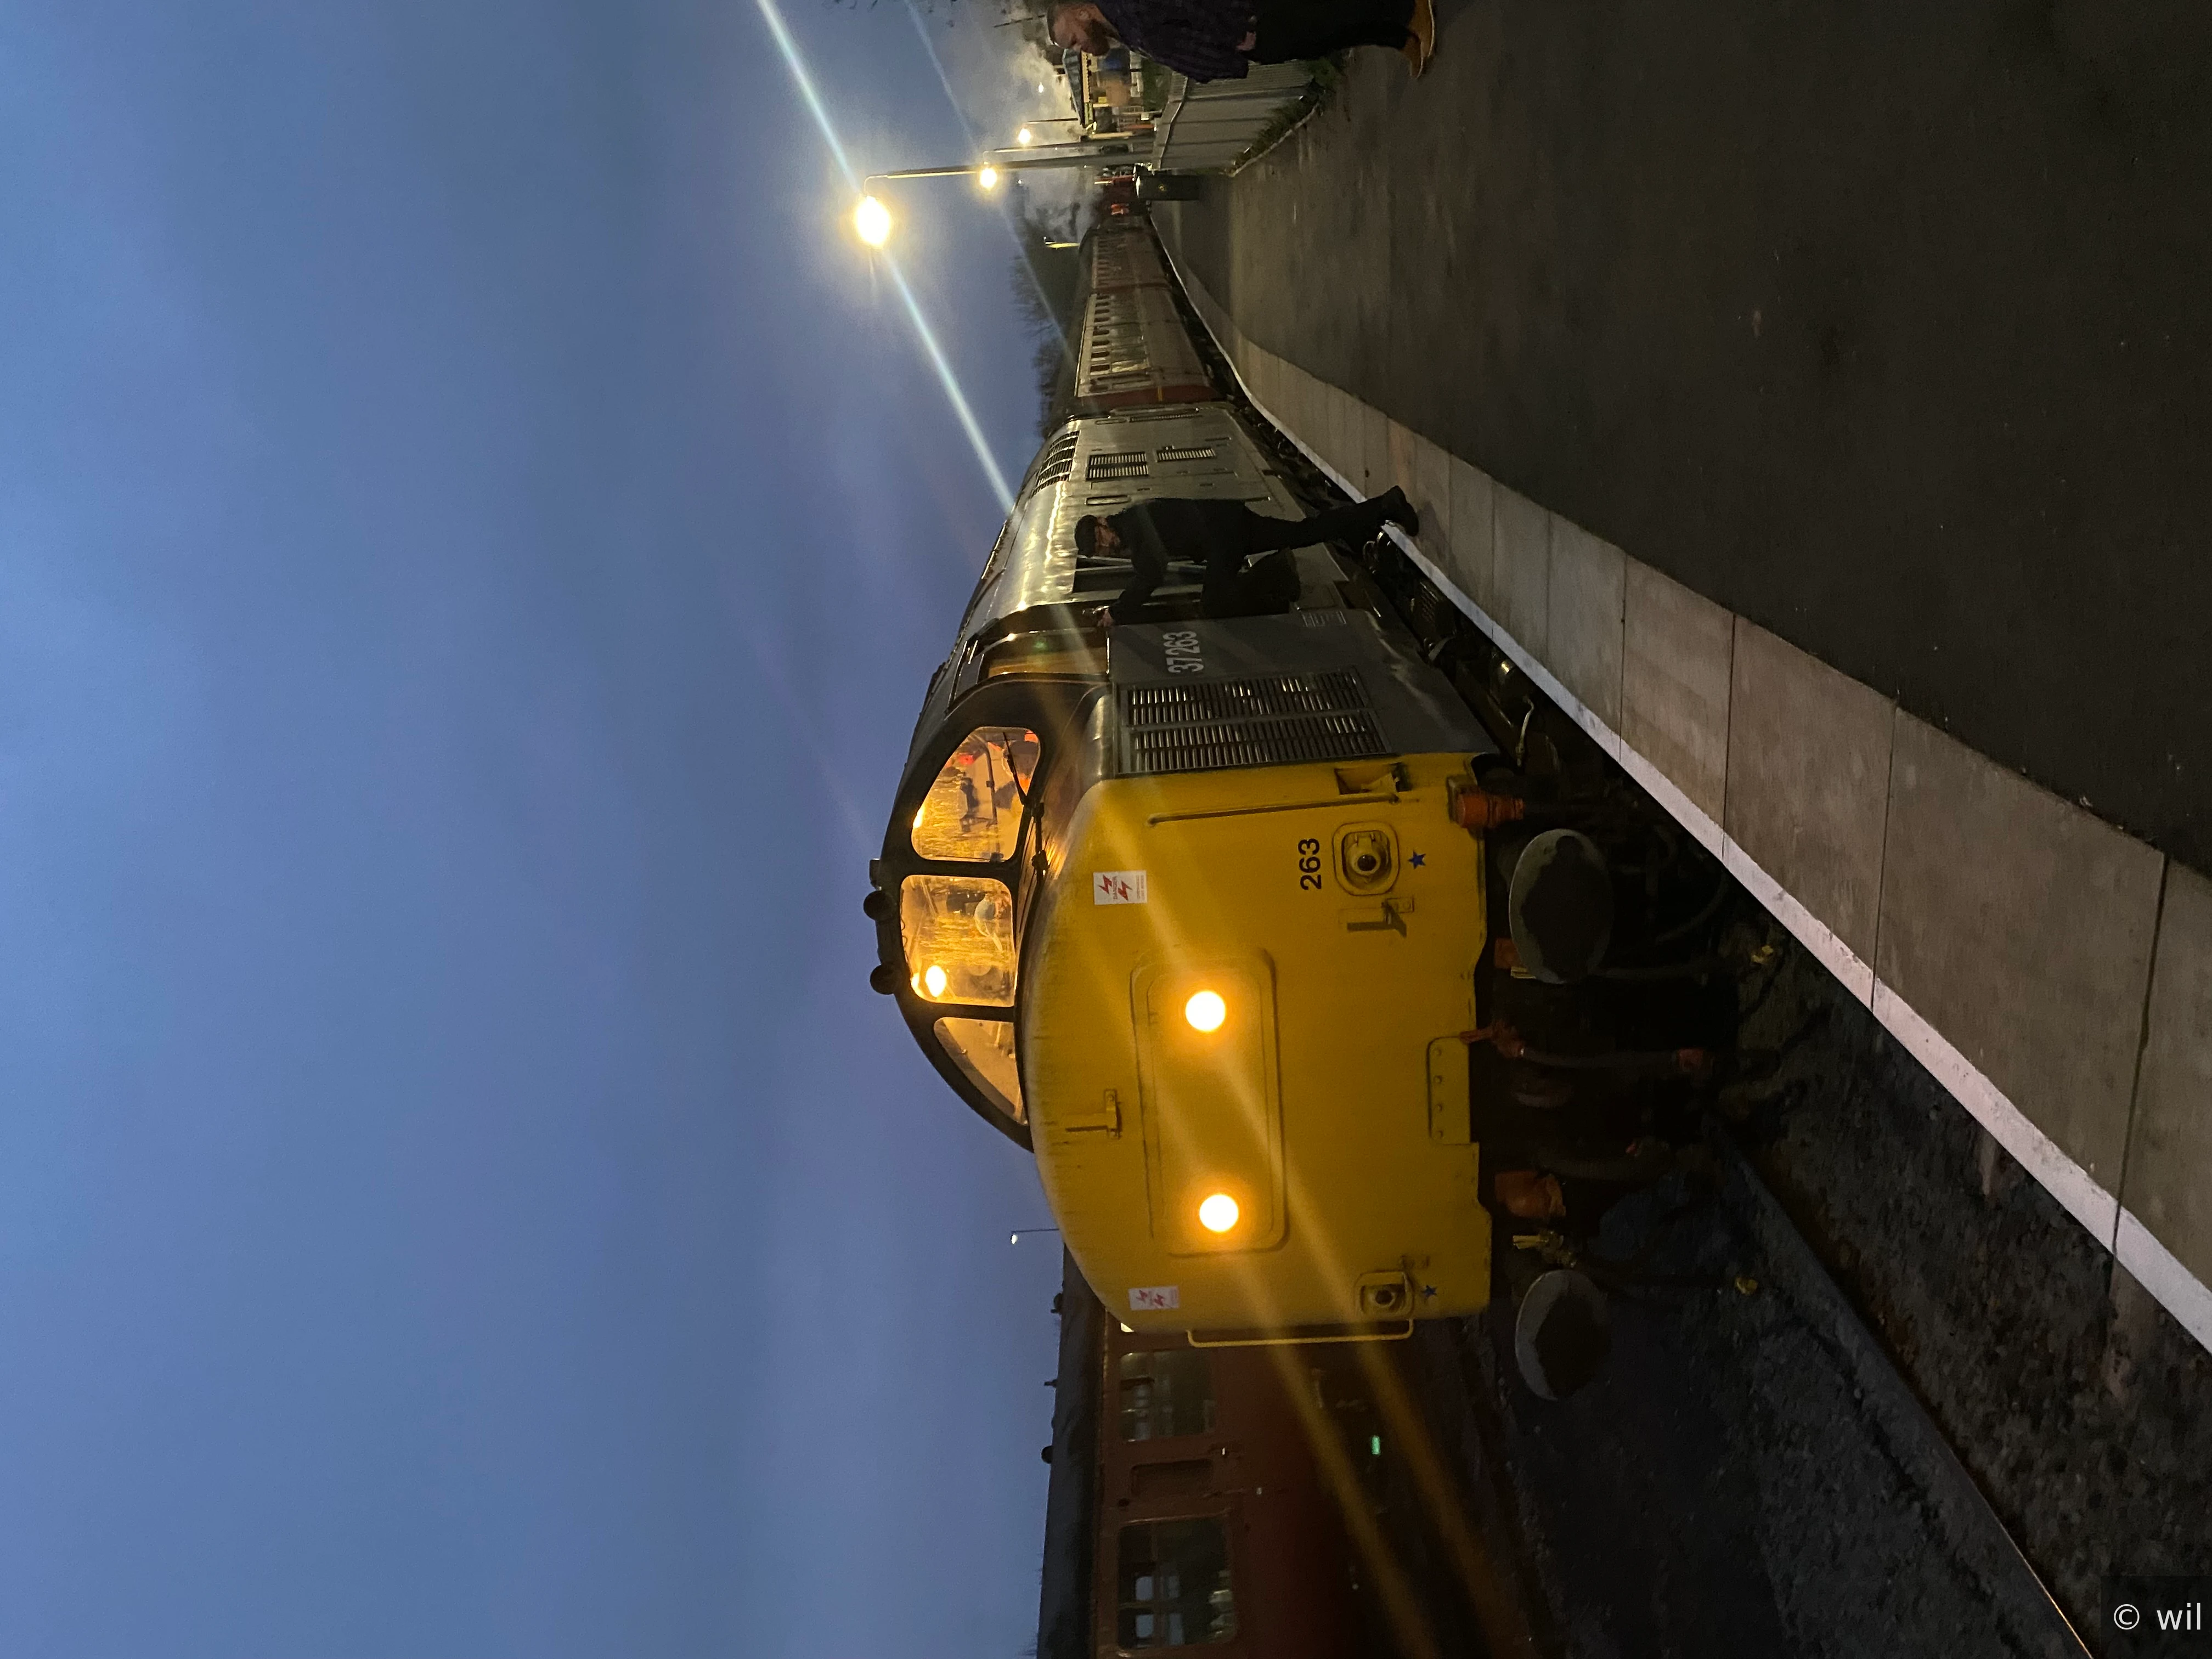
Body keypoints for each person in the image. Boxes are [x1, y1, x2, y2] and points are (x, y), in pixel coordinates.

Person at [1076, 488, 1419, 626]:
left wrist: (1116, 613)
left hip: (1225, 536)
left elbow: (1151, 574)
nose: (1107, 548)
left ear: (1102, 522)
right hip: (1229, 526)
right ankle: (1384, 507)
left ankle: (1279, 579)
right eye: (1101, 551)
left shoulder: (1135, 524)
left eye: (1100, 540)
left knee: (1213, 604)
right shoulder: (1134, 526)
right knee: (1306, 532)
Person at [1046, 0, 1436, 83]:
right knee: (1323, 41)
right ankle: (1400, 40)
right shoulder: (1120, 29)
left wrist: (1235, 32)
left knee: (1330, 16)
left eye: (1073, 40)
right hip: (1242, 44)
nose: (1080, 49)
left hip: (1245, 22)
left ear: (1082, 13)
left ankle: (1407, 10)